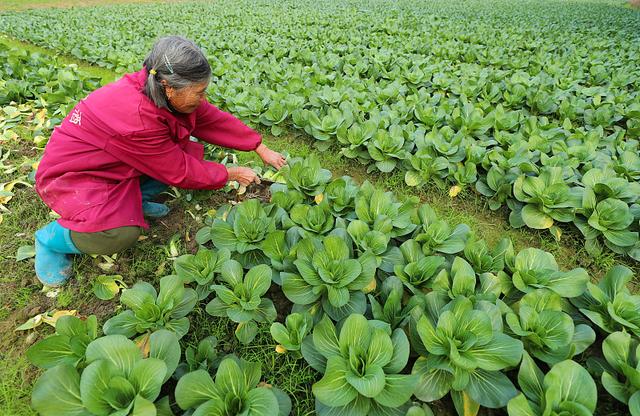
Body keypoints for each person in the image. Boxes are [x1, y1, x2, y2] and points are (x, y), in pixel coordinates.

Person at [33, 35, 286, 287]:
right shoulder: (138, 119)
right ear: (169, 87)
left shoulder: (155, 84)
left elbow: (209, 118)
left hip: (112, 163)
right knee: (120, 234)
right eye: (199, 92)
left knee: (180, 146)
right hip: (74, 175)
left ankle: (135, 200)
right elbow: (180, 171)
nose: (203, 98)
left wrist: (258, 146)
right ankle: (50, 240)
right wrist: (231, 173)